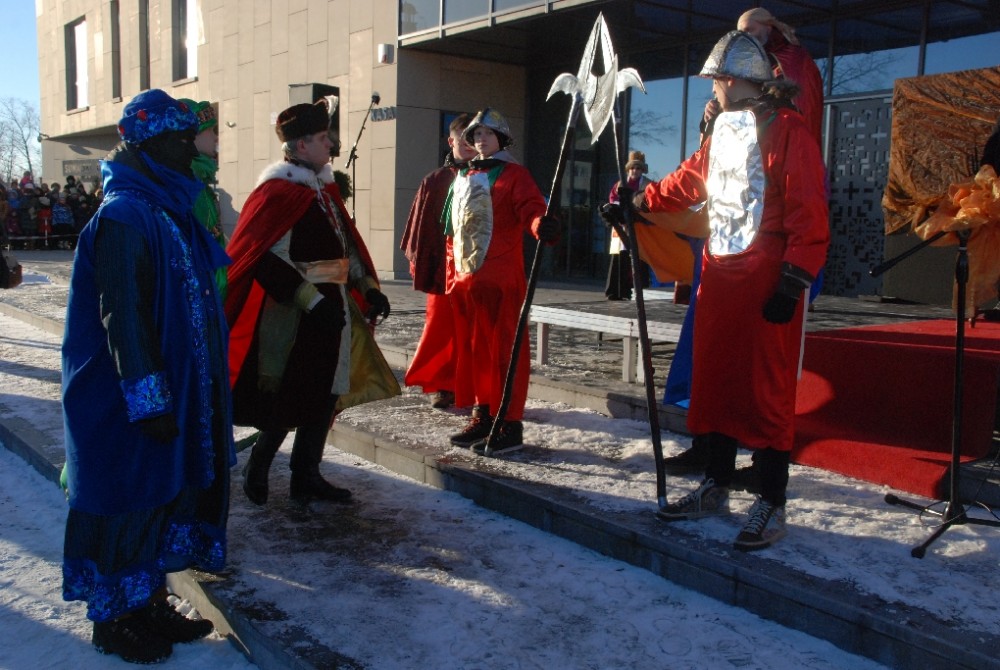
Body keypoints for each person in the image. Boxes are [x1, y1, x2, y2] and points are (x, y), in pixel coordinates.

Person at [634, 31, 829, 550]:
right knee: (716, 380)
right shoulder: (723, 129)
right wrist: (641, 202)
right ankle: (716, 484)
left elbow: (809, 212)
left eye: (716, 81)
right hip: (719, 274)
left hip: (766, 278)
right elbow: (689, 180)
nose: (713, 90)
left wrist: (794, 279)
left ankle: (771, 499)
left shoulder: (789, 131)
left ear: (733, 79)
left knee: (766, 388)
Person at [61, 89, 235, 664]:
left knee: (162, 495)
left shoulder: (165, 208)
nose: (193, 150)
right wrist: (149, 400)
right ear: (153, 144)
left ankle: (147, 601)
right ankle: (113, 619)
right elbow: (124, 316)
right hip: (125, 397)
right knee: (128, 497)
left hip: (171, 390)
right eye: (183, 141)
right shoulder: (124, 215)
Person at [225, 99, 392, 506]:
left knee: (325, 392)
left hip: (334, 308)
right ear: (301, 146)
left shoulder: (322, 190)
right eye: (322, 137)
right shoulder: (277, 192)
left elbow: (345, 248)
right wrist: (313, 303)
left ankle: (306, 475)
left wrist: (368, 287)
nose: (331, 144)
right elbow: (268, 259)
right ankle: (258, 464)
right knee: (291, 393)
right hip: (295, 315)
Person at [443, 108, 559, 455]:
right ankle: (484, 414)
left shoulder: (515, 175)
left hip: (502, 280)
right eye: (476, 134)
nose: (481, 139)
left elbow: (532, 210)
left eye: (488, 134)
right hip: (469, 281)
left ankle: (508, 422)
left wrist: (541, 225)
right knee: (477, 351)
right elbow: (452, 228)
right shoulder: (463, 175)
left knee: (507, 351)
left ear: (502, 139)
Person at [401, 113, 477, 409]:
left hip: (479, 267)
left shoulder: (492, 177)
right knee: (441, 329)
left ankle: (476, 387)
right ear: (450, 141)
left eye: (473, 137)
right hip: (444, 269)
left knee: (477, 329)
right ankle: (443, 385)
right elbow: (420, 230)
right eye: (463, 138)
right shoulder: (435, 181)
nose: (468, 143)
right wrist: (424, 266)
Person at [179, 98, 227, 297]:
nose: (216, 138)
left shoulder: (198, 179)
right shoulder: (189, 185)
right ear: (193, 136)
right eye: (211, 130)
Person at [604, 151, 653, 301]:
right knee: (619, 257)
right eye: (632, 168)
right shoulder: (619, 184)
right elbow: (612, 199)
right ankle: (614, 291)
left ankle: (631, 290)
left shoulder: (648, 185)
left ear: (642, 170)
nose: (634, 171)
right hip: (621, 226)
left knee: (637, 258)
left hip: (638, 225)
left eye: (638, 168)